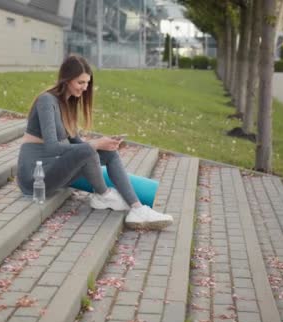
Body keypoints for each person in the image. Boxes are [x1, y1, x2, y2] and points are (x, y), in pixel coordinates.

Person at [16, 55, 173, 230]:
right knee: (89, 150)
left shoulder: (67, 104)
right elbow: (52, 147)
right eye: (80, 82)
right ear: (66, 80)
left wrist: (105, 144)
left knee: (108, 153)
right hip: (35, 177)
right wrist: (95, 144)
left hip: (54, 168)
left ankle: (137, 209)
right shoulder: (46, 100)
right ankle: (103, 195)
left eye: (87, 83)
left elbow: (77, 144)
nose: (85, 88)